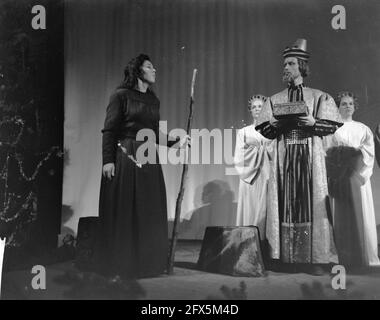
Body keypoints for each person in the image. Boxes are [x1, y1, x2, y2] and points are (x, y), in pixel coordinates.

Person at [94, 54, 189, 278]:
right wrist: (108, 160)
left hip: (149, 158)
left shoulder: (153, 100)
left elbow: (154, 133)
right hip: (125, 154)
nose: (154, 70)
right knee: (126, 205)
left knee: (148, 206)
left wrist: (176, 141)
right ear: (138, 71)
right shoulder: (120, 96)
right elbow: (109, 130)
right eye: (149, 66)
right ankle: (121, 264)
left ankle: (148, 263)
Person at [256, 39, 342, 275]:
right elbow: (265, 129)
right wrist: (274, 122)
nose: (286, 67)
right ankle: (283, 256)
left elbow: (332, 125)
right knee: (284, 202)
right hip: (285, 157)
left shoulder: (318, 96)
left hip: (309, 156)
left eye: (291, 63)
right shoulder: (275, 99)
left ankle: (315, 258)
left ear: (302, 66)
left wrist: (314, 122)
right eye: (285, 64)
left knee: (310, 201)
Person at [326, 92, 380, 268]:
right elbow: (328, 152)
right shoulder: (333, 128)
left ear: (355, 107)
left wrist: (358, 174)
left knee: (360, 213)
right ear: (338, 107)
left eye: (350, 103)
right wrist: (337, 171)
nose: (347, 106)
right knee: (340, 214)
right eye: (343, 104)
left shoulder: (363, 129)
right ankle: (341, 256)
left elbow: (369, 153)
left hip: (356, 177)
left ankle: (363, 256)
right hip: (339, 178)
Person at [234, 94, 272, 240]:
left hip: (267, 174)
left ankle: (264, 242)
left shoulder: (272, 131)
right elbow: (239, 155)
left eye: (260, 106)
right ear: (250, 110)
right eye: (254, 107)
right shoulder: (244, 132)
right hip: (249, 176)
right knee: (249, 208)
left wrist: (265, 148)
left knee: (265, 208)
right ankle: (247, 242)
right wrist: (259, 149)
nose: (257, 109)